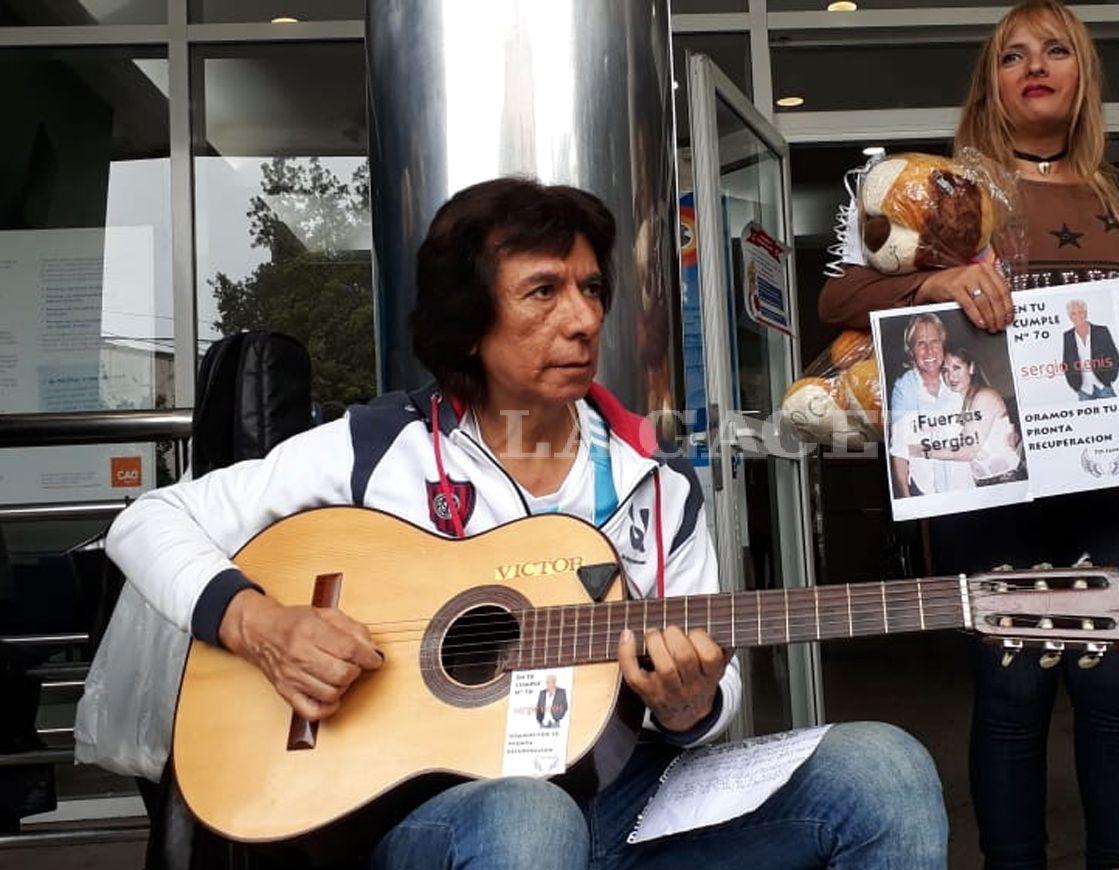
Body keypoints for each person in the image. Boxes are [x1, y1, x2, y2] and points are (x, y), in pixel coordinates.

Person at [105, 178, 947, 869]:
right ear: (468, 325)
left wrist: (689, 705)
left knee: (884, 769)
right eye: (543, 292)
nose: (582, 319)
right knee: (528, 821)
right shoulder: (375, 451)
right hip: (437, 821)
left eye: (589, 289)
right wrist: (261, 624)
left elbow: (712, 692)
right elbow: (147, 520)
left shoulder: (659, 487)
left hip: (628, 805)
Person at [821, 2, 1119, 866]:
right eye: (1012, 55)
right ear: (989, 82)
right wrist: (937, 284)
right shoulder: (943, 194)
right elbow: (838, 302)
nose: (1035, 65)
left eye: (1056, 50)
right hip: (993, 481)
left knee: (1115, 687)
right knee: (1011, 694)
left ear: (1083, 75)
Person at [911, 349, 1025, 486]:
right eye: (945, 370)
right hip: (984, 482)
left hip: (1008, 479)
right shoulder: (960, 402)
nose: (951, 376)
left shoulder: (984, 396)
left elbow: (968, 452)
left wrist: (919, 450)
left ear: (971, 368)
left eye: (956, 368)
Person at [888, 312, 967, 496]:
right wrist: (909, 501)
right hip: (926, 491)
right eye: (921, 344)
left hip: (968, 484)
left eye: (934, 342)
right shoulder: (904, 388)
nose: (929, 350)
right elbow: (899, 452)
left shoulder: (957, 374)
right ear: (911, 351)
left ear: (942, 344)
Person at [1060, 299, 1119, 401]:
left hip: (1103, 386)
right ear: (1070, 317)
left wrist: (1110, 377)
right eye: (1073, 314)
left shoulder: (1101, 331)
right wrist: (1074, 385)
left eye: (1080, 312)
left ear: (1086, 313)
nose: (1078, 316)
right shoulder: (1067, 336)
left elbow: (1115, 357)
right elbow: (1066, 362)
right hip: (1083, 390)